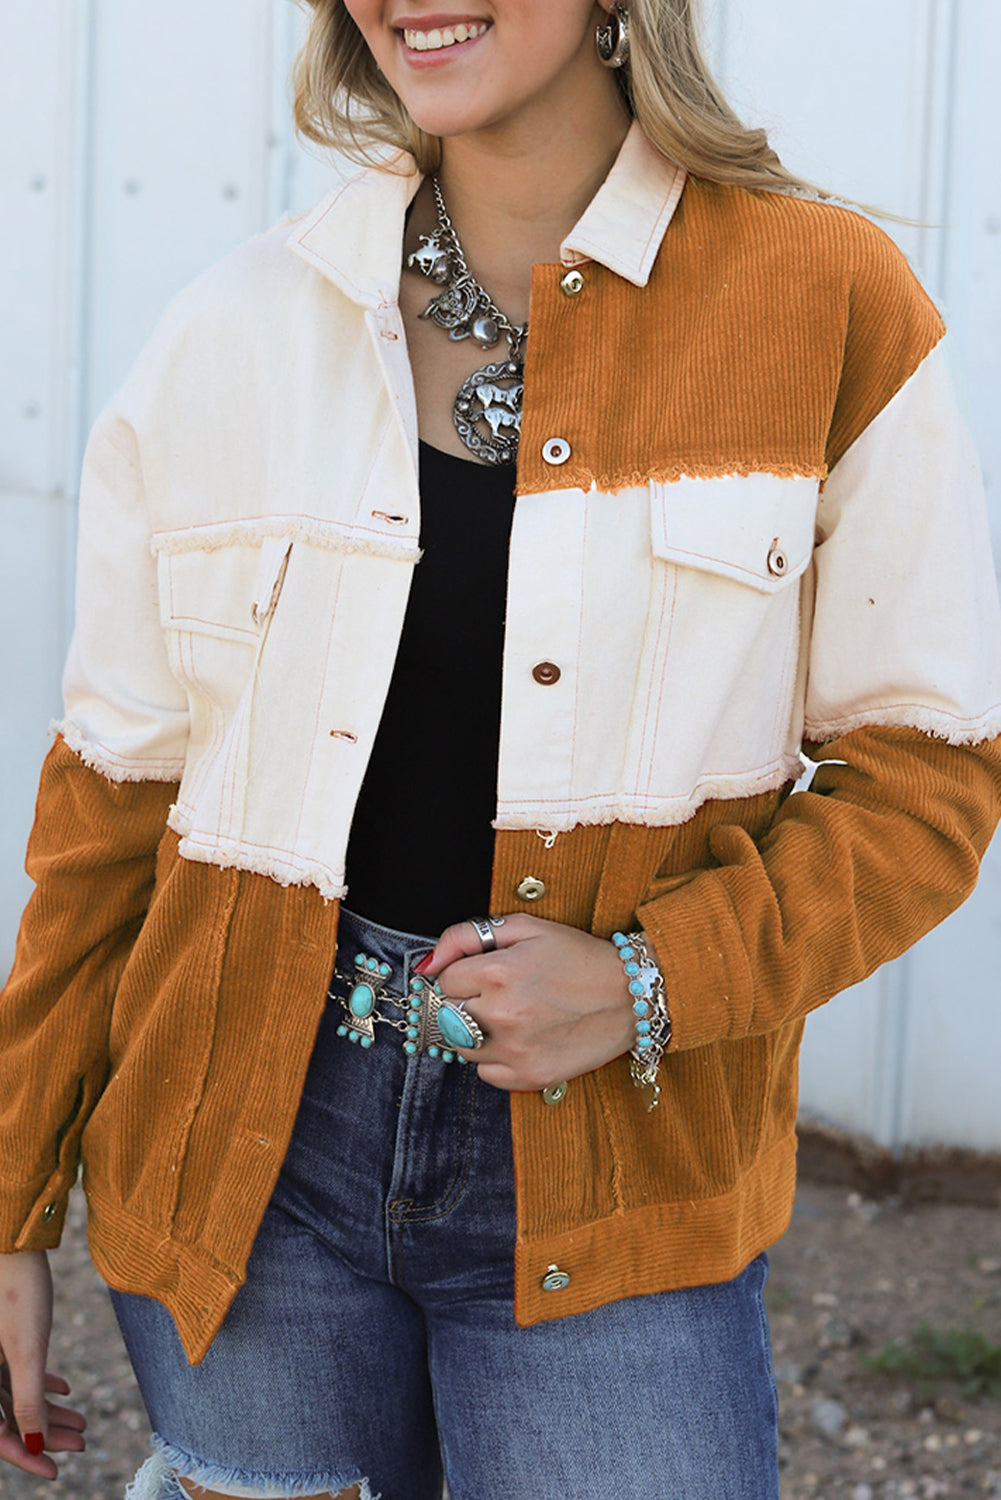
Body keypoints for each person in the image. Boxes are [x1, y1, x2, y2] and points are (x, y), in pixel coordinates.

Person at [2, 2, 1001, 1496]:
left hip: (621, 1162)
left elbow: (928, 773)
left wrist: (649, 981)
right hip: (246, 1152)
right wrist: (14, 1199)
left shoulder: (826, 303)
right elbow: (112, 807)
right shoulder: (239, 327)